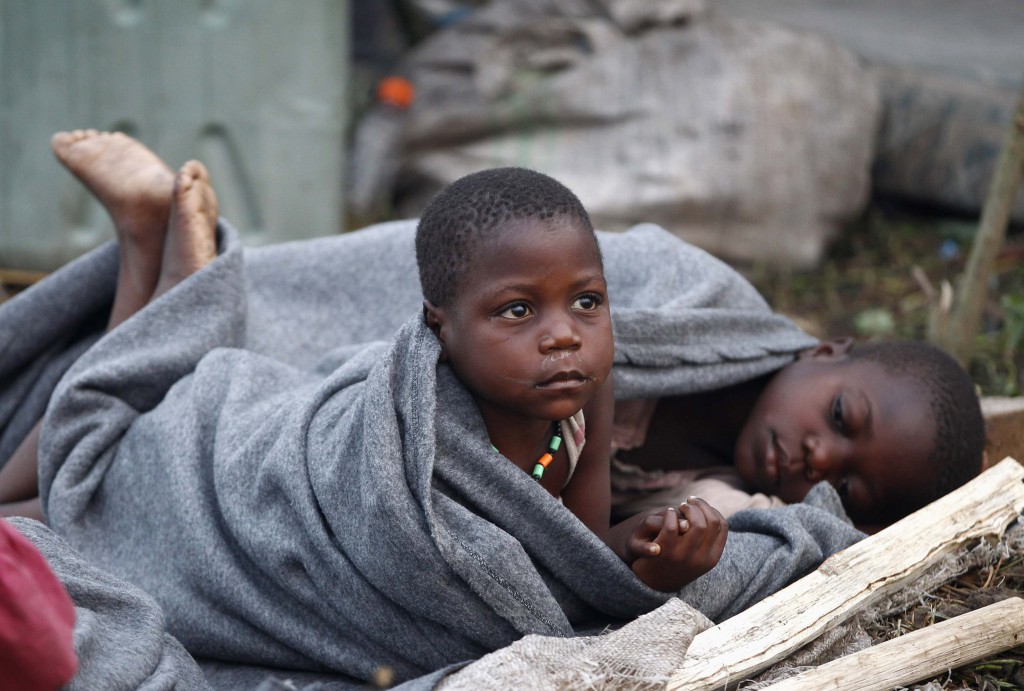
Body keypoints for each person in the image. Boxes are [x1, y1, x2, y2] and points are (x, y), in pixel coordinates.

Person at [413, 167, 727, 591]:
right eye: (518, 310)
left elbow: (583, 548)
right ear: (440, 329)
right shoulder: (428, 433)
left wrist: (645, 546)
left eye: (586, 301)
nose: (565, 335)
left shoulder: (586, 402)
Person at [611, 337, 986, 530]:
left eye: (845, 489)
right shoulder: (702, 309)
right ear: (823, 350)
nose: (820, 459)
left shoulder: (721, 500)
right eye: (840, 415)